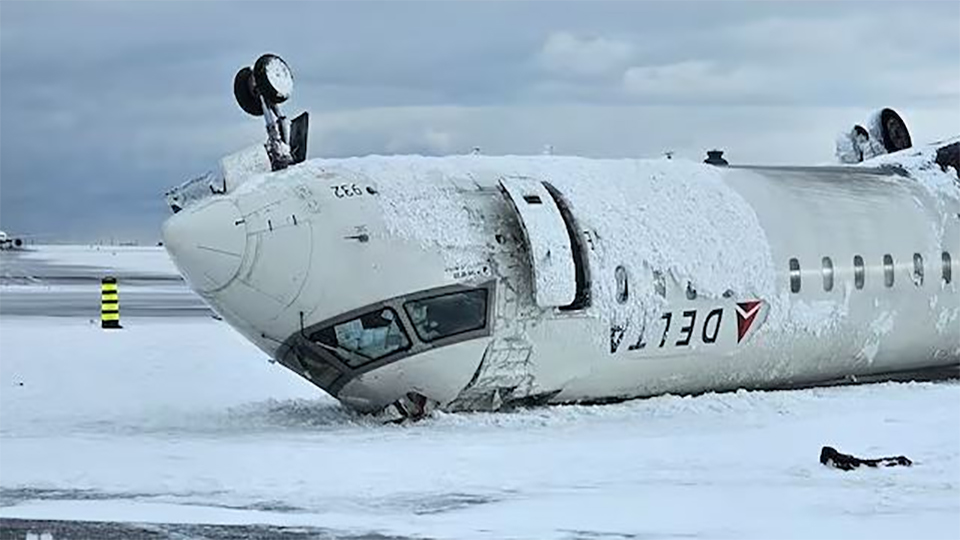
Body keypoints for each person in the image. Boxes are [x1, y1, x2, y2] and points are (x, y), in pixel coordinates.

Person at [820, 446, 912, 471]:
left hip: (857, 463)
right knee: (876, 463)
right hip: (857, 462)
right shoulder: (837, 460)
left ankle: (897, 461)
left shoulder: (836, 461)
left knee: (876, 464)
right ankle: (897, 461)